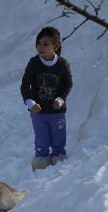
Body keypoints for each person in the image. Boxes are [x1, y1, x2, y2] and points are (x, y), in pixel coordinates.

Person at [20, 27, 73, 171]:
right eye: (38, 43)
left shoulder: (62, 64)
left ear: (55, 46)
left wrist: (61, 99)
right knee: (42, 141)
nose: (40, 47)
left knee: (58, 141)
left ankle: (59, 163)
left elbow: (68, 84)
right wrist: (31, 103)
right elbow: (25, 86)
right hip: (39, 113)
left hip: (57, 113)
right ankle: (41, 164)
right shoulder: (34, 63)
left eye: (45, 43)